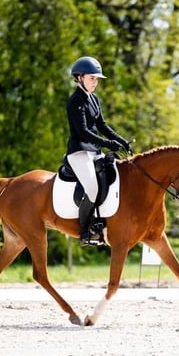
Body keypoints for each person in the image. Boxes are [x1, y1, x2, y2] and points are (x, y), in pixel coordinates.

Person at [66, 56, 131, 245]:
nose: (95, 82)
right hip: (79, 152)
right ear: (80, 78)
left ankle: (101, 223)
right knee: (93, 188)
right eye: (92, 78)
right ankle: (85, 232)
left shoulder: (94, 98)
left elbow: (102, 124)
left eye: (96, 79)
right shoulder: (75, 101)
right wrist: (107, 144)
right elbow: (83, 132)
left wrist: (121, 140)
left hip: (94, 151)